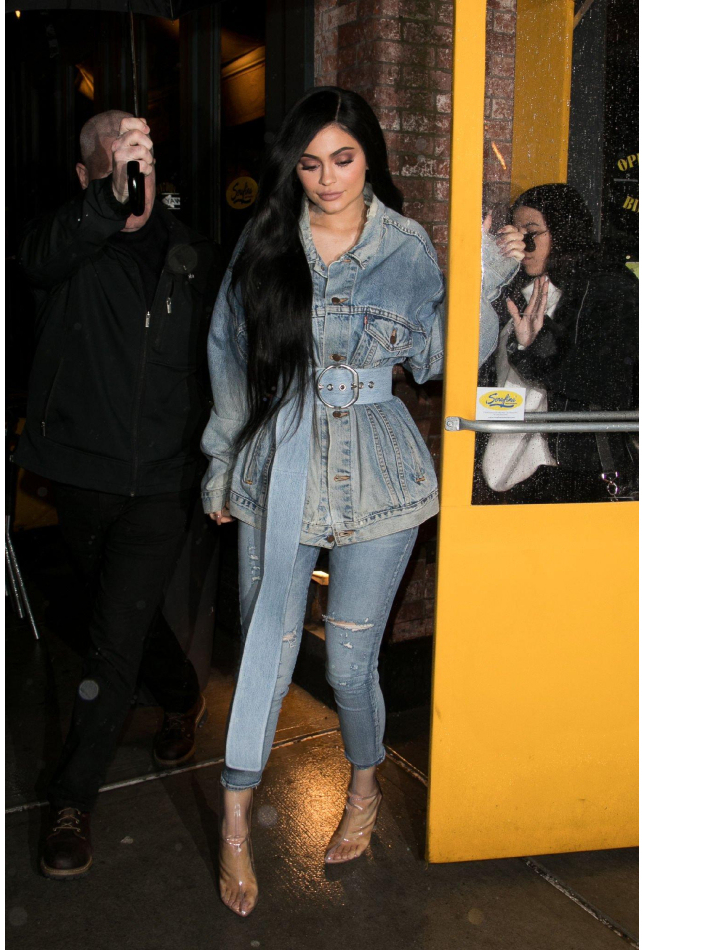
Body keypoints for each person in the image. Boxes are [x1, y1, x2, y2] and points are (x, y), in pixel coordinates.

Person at [200, 87, 521, 917]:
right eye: (309, 163)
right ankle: (235, 822)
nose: (326, 178)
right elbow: (230, 353)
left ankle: (366, 783)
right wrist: (222, 462)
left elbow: (446, 358)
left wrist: (485, 279)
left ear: (369, 156)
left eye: (342, 158)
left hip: (379, 470)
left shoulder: (406, 246)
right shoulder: (266, 237)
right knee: (264, 651)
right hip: (280, 461)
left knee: (347, 664)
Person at [13, 110, 221, 879]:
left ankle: (72, 800)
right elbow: (35, 257)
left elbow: (221, 361)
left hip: (163, 483)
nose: (134, 171)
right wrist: (104, 204)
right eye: (114, 158)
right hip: (81, 474)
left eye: (144, 156)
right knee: (119, 615)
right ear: (85, 174)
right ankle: (181, 695)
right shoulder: (65, 244)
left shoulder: (190, 251)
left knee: (112, 638)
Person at [480, 183, 638, 503]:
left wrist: (539, 347)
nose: (523, 245)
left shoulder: (608, 287)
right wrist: (486, 274)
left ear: (564, 233)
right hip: (505, 468)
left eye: (532, 233)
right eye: (515, 233)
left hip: (575, 470)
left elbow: (612, 382)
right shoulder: (510, 288)